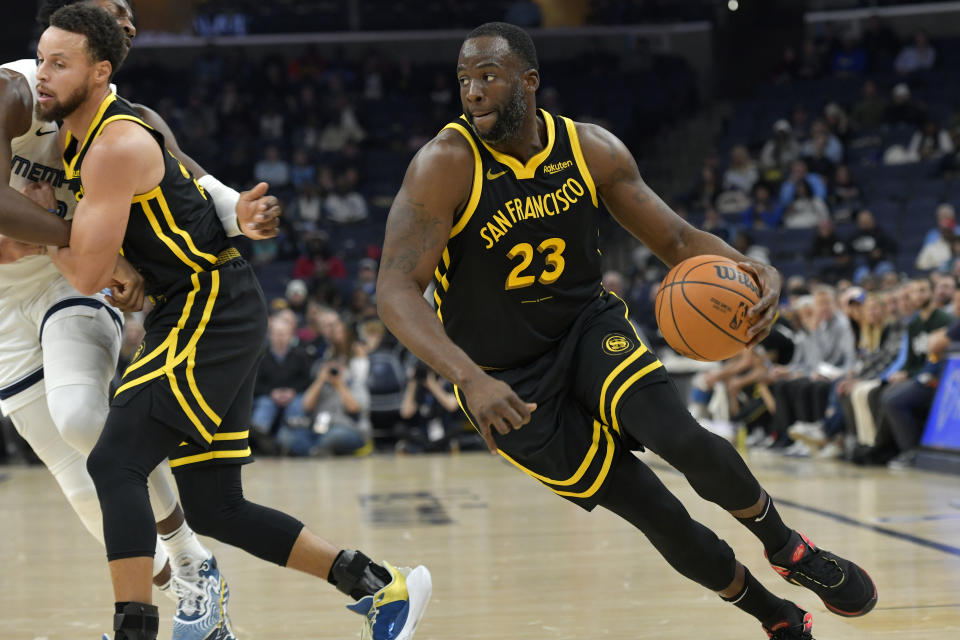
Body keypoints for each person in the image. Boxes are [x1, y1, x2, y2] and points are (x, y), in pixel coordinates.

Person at [376, 22, 876, 640]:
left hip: (586, 330)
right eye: (463, 80)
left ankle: (789, 549)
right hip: (505, 381)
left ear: (529, 82)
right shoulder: (443, 165)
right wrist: (467, 378)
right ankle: (769, 613)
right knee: (655, 512)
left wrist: (750, 267)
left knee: (682, 438)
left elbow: (678, 241)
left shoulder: (590, 149)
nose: (472, 92)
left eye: (488, 77)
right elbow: (395, 289)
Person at [4, 7, 430, 639]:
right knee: (217, 506)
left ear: (99, 72)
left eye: (59, 64)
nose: (44, 75)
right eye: (42, 60)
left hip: (208, 306)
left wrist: (35, 237)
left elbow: (92, 272)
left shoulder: (116, 140)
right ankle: (381, 587)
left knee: (115, 461)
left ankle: (135, 629)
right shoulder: (75, 128)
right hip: (204, 307)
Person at [0, 0, 280, 637]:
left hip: (64, 281)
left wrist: (242, 213)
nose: (128, 19)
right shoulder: (16, 92)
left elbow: (192, 182)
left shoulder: (122, 116)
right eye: (114, 8)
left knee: (83, 421)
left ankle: (187, 566)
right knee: (79, 485)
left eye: (129, 14)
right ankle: (189, 581)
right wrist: (75, 236)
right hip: (10, 303)